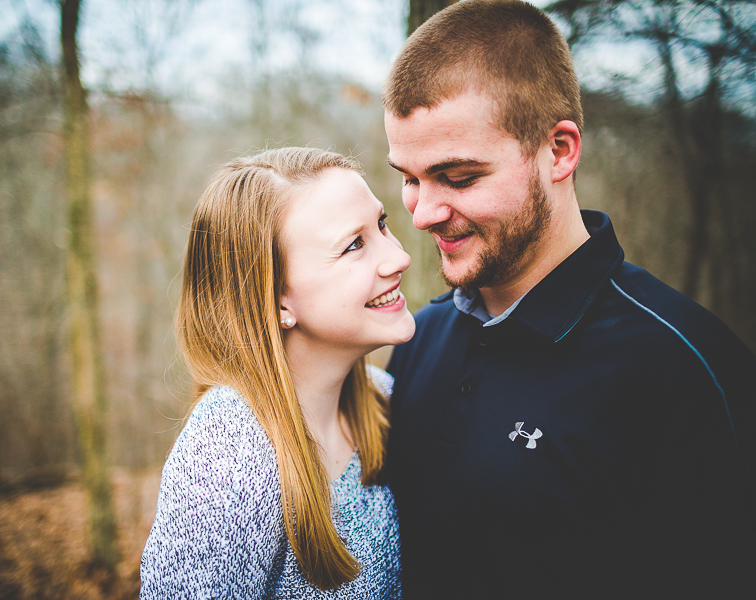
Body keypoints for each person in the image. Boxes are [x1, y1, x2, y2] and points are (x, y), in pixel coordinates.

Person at [381, 0, 755, 597]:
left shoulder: (687, 370)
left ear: (558, 150)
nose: (424, 213)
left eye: (459, 177)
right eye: (409, 178)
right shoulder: (416, 339)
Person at [139, 147, 414, 598]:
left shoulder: (384, 399)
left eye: (382, 225)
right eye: (354, 245)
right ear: (278, 299)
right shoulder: (230, 450)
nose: (398, 257)